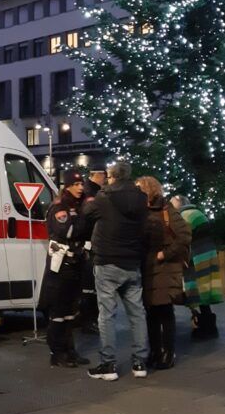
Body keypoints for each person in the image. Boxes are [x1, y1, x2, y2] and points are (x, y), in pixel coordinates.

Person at [78, 160, 149, 380]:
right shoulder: (141, 198)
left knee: (106, 315)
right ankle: (140, 362)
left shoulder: (104, 198)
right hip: (132, 261)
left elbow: (86, 213)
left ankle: (108, 364)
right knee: (137, 314)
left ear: (113, 176)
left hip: (107, 261)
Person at [137, 177, 191, 370]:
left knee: (165, 310)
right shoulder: (141, 211)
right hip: (148, 266)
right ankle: (155, 351)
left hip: (165, 266)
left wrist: (166, 253)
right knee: (151, 311)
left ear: (149, 191)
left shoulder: (167, 210)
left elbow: (184, 234)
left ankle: (167, 353)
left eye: (140, 189)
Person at [40, 170, 90, 368]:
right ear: (68, 186)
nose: (80, 188)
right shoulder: (60, 207)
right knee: (58, 311)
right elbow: (67, 230)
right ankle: (57, 352)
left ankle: (70, 350)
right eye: (76, 185)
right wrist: (83, 223)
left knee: (71, 311)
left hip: (76, 263)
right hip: (61, 266)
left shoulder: (77, 207)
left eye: (81, 184)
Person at [170, 195, 223, 340]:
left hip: (195, 258)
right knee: (204, 291)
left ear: (179, 205)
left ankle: (203, 327)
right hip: (207, 255)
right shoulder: (198, 213)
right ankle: (209, 326)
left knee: (195, 292)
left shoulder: (184, 216)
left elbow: (182, 238)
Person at [77, 170, 107, 334]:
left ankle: (90, 319)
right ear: (96, 175)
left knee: (91, 287)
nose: (105, 179)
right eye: (103, 175)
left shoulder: (93, 191)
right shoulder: (92, 192)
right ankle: (89, 320)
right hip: (90, 244)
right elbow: (90, 216)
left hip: (91, 243)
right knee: (90, 287)